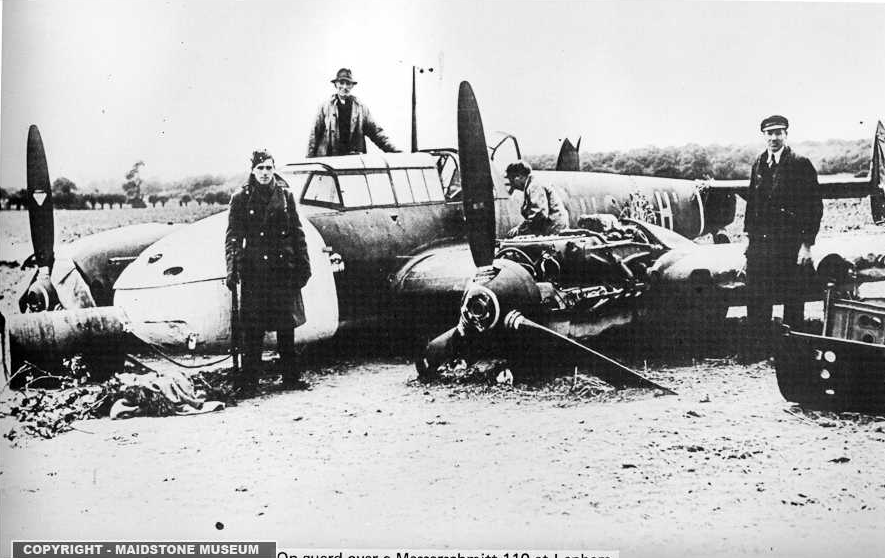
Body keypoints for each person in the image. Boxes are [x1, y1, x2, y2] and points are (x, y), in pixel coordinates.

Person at [225, 150, 312, 393]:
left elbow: (297, 233)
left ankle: (291, 378)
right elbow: (233, 237)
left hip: (283, 269)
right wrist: (232, 269)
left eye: (269, 168)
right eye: (260, 168)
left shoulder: (285, 196)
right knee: (253, 329)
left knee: (287, 327)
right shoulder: (241, 198)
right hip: (255, 271)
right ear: (252, 170)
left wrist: (304, 265)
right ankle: (250, 381)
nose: (265, 173)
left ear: (274, 170)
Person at [740, 114, 823, 361]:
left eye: (779, 132)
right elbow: (752, 204)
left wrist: (807, 245)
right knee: (756, 297)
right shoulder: (758, 164)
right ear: (763, 136)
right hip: (760, 244)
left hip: (789, 243)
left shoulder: (800, 163)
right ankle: (759, 350)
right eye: (769, 133)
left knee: (792, 298)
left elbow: (814, 206)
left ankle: (793, 353)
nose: (774, 138)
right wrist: (748, 242)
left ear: (786, 135)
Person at [307, 68, 399, 157]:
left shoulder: (361, 108)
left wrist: (396, 152)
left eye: (348, 83)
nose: (344, 87)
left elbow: (376, 133)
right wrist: (309, 163)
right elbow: (314, 136)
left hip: (353, 163)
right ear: (336, 84)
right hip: (330, 163)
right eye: (341, 83)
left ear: (352, 86)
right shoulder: (325, 107)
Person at [504, 160, 569, 237]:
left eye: (512, 180)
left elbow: (539, 214)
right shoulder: (532, 185)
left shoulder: (534, 186)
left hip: (553, 230)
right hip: (552, 229)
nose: (512, 185)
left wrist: (520, 229)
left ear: (520, 177)